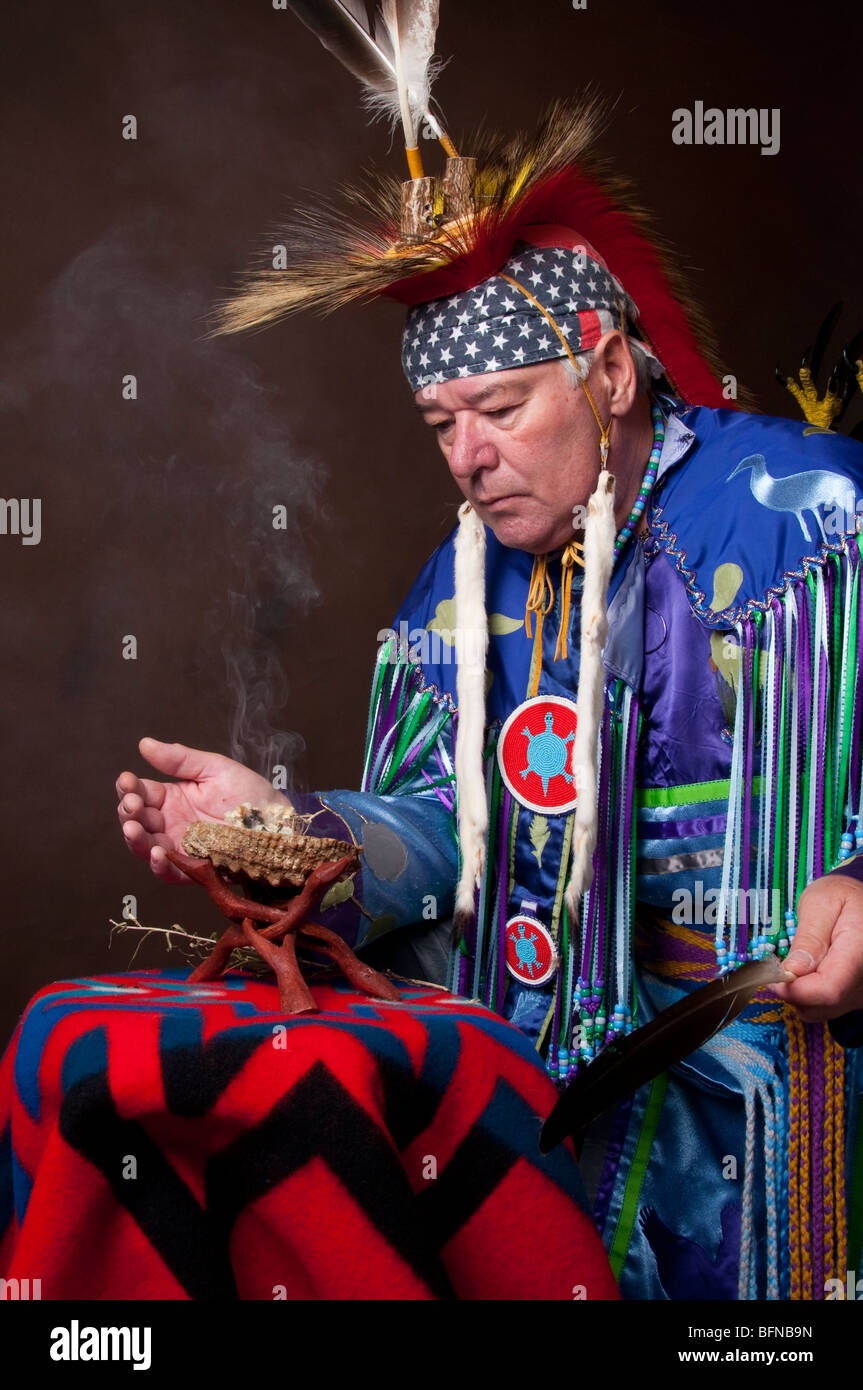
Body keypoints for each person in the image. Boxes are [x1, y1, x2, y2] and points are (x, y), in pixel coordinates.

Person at [117, 97, 863, 1300]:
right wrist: (287, 829)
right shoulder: (457, 592)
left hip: (798, 1090)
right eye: (439, 424)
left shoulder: (809, 519)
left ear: (608, 369)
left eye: (502, 409)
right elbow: (441, 828)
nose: (465, 457)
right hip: (559, 1090)